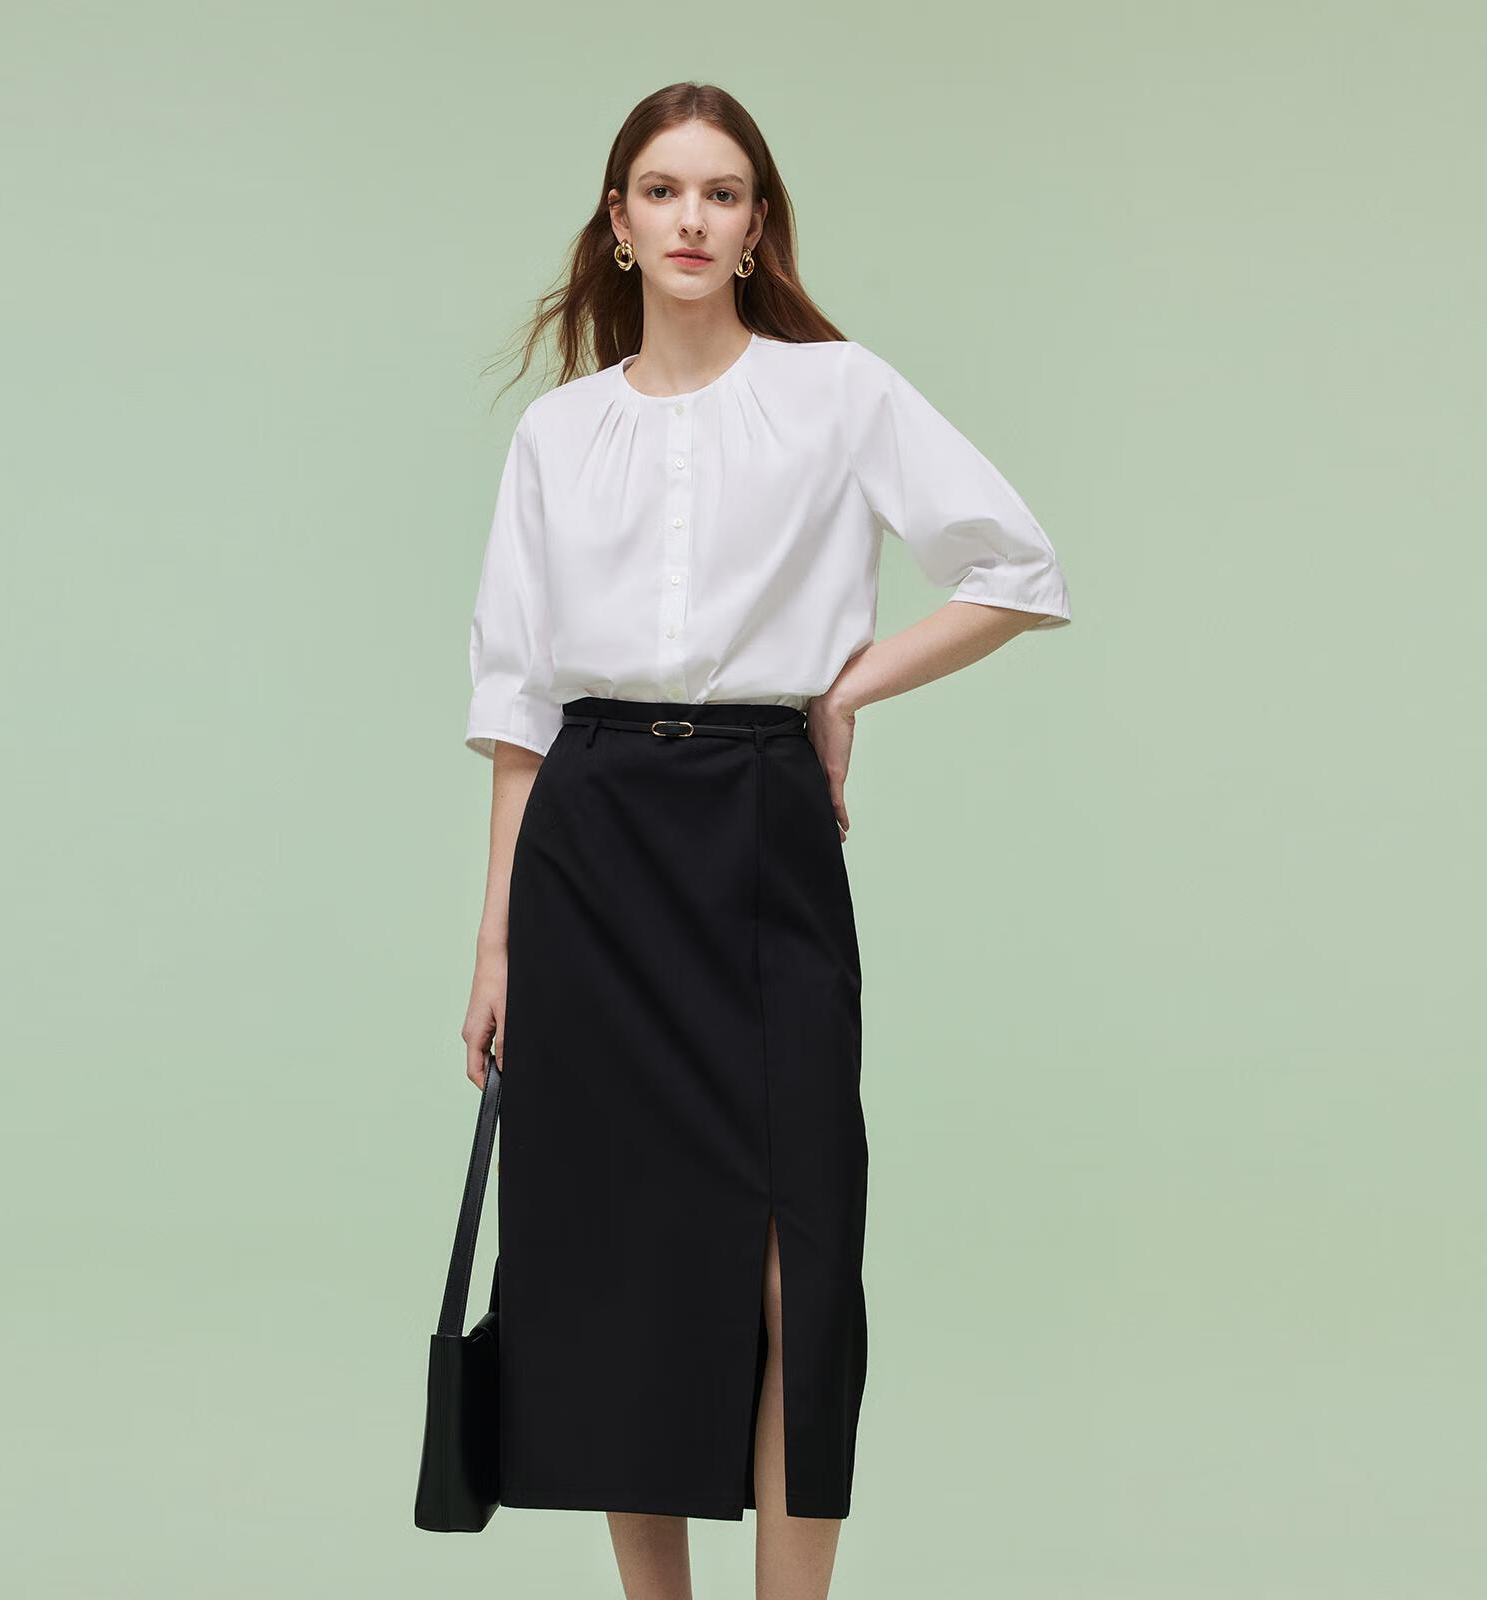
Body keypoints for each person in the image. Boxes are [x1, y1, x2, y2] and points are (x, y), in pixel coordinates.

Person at [460, 81, 1071, 1600]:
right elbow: (521, 705)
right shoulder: (557, 434)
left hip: (760, 823)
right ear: (618, 224)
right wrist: (495, 945)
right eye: (662, 191)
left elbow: (1016, 568)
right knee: (620, 1266)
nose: (691, 218)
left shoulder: (837, 394)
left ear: (755, 228)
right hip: (589, 842)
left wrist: (843, 687)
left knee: (802, 1255)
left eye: (721, 193)